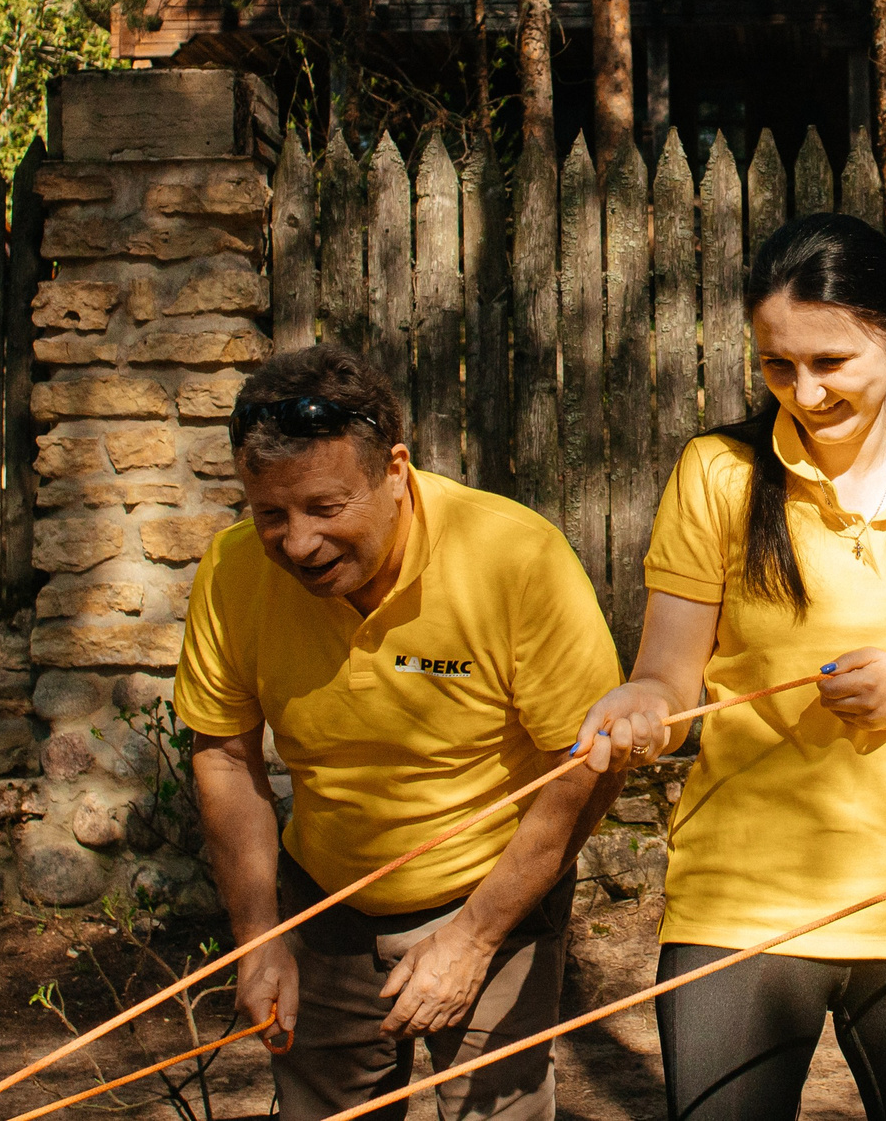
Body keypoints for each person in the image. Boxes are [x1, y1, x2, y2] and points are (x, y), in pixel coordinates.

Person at [572, 213, 886, 1121]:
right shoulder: (717, 473)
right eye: (777, 364)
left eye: (831, 361)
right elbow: (669, 682)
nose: (805, 390)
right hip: (734, 908)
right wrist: (640, 707)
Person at [178, 344, 625, 1121]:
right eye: (270, 514)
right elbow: (223, 752)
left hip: (497, 889)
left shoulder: (513, 556)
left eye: (324, 508)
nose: (298, 543)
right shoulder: (232, 570)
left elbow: (584, 765)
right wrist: (258, 937)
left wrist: (477, 936)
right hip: (325, 901)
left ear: (395, 470)